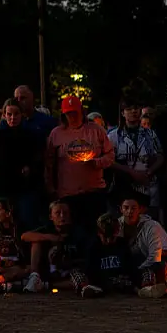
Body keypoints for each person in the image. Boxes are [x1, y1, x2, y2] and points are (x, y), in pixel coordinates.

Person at [45, 95, 114, 232]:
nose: (72, 117)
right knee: (74, 232)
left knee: (96, 231)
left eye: (75, 113)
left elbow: (110, 155)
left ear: (82, 111)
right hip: (68, 195)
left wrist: (96, 162)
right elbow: (49, 163)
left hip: (94, 192)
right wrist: (50, 187)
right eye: (68, 113)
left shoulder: (96, 130)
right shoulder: (56, 134)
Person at [0, 98, 45, 231]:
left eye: (16, 114)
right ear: (4, 115)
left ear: (22, 115)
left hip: (25, 186)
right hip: (4, 185)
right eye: (9, 114)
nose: (12, 118)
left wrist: (29, 168)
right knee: (3, 225)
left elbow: (37, 158)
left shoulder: (30, 135)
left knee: (25, 222)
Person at [108, 100, 164, 215]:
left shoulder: (150, 134)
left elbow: (160, 156)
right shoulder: (113, 136)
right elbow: (109, 161)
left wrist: (149, 172)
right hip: (123, 190)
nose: (133, 111)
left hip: (147, 189)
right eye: (129, 109)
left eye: (136, 108)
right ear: (123, 113)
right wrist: (131, 172)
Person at [21, 201, 88, 294]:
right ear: (51, 217)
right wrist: (50, 237)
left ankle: (45, 285)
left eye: (65, 213)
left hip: (69, 271)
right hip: (48, 269)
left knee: (81, 279)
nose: (62, 216)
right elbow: (24, 236)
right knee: (36, 241)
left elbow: (84, 259)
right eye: (58, 213)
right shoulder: (47, 229)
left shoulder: (78, 233)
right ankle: (34, 277)